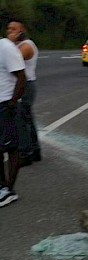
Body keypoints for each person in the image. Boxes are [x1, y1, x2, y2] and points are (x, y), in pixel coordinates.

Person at [6, 20, 41, 166]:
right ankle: (34, 150)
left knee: (22, 119)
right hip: (21, 85)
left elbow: (11, 60)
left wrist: (9, 42)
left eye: (14, 29)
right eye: (8, 29)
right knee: (27, 118)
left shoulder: (27, 45)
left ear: (22, 31)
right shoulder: (15, 46)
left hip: (26, 86)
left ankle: (26, 153)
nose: (10, 31)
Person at [0, 27, 26, 207]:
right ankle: (2, 186)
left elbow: (21, 77)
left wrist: (12, 103)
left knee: (11, 147)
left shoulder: (6, 47)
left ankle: (9, 189)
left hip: (6, 104)